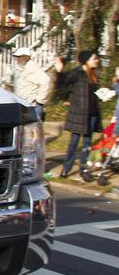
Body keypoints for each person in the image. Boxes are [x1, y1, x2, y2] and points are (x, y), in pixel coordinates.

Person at [54, 50, 103, 179]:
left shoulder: (94, 74)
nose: (97, 60)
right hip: (78, 113)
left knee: (87, 143)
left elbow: (94, 93)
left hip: (92, 113)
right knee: (74, 143)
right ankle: (66, 169)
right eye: (94, 58)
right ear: (86, 60)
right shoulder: (77, 73)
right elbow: (62, 84)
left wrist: (103, 96)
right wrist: (59, 71)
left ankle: (84, 170)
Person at [11, 47, 51, 121]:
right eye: (17, 57)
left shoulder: (32, 68)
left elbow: (46, 81)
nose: (17, 59)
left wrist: (40, 100)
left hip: (31, 105)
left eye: (19, 57)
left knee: (34, 127)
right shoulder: (22, 67)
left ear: (26, 57)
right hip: (23, 103)